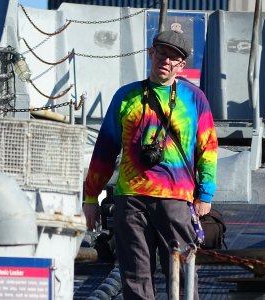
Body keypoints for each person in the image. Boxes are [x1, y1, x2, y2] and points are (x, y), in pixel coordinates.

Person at [83, 29, 218, 299]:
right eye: (162, 53)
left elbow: (208, 148)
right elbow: (105, 150)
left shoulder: (195, 99)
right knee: (135, 276)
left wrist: (205, 193)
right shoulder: (126, 97)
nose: (166, 61)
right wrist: (90, 198)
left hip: (175, 200)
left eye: (174, 58)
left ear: (181, 66)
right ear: (151, 53)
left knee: (181, 274)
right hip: (131, 199)